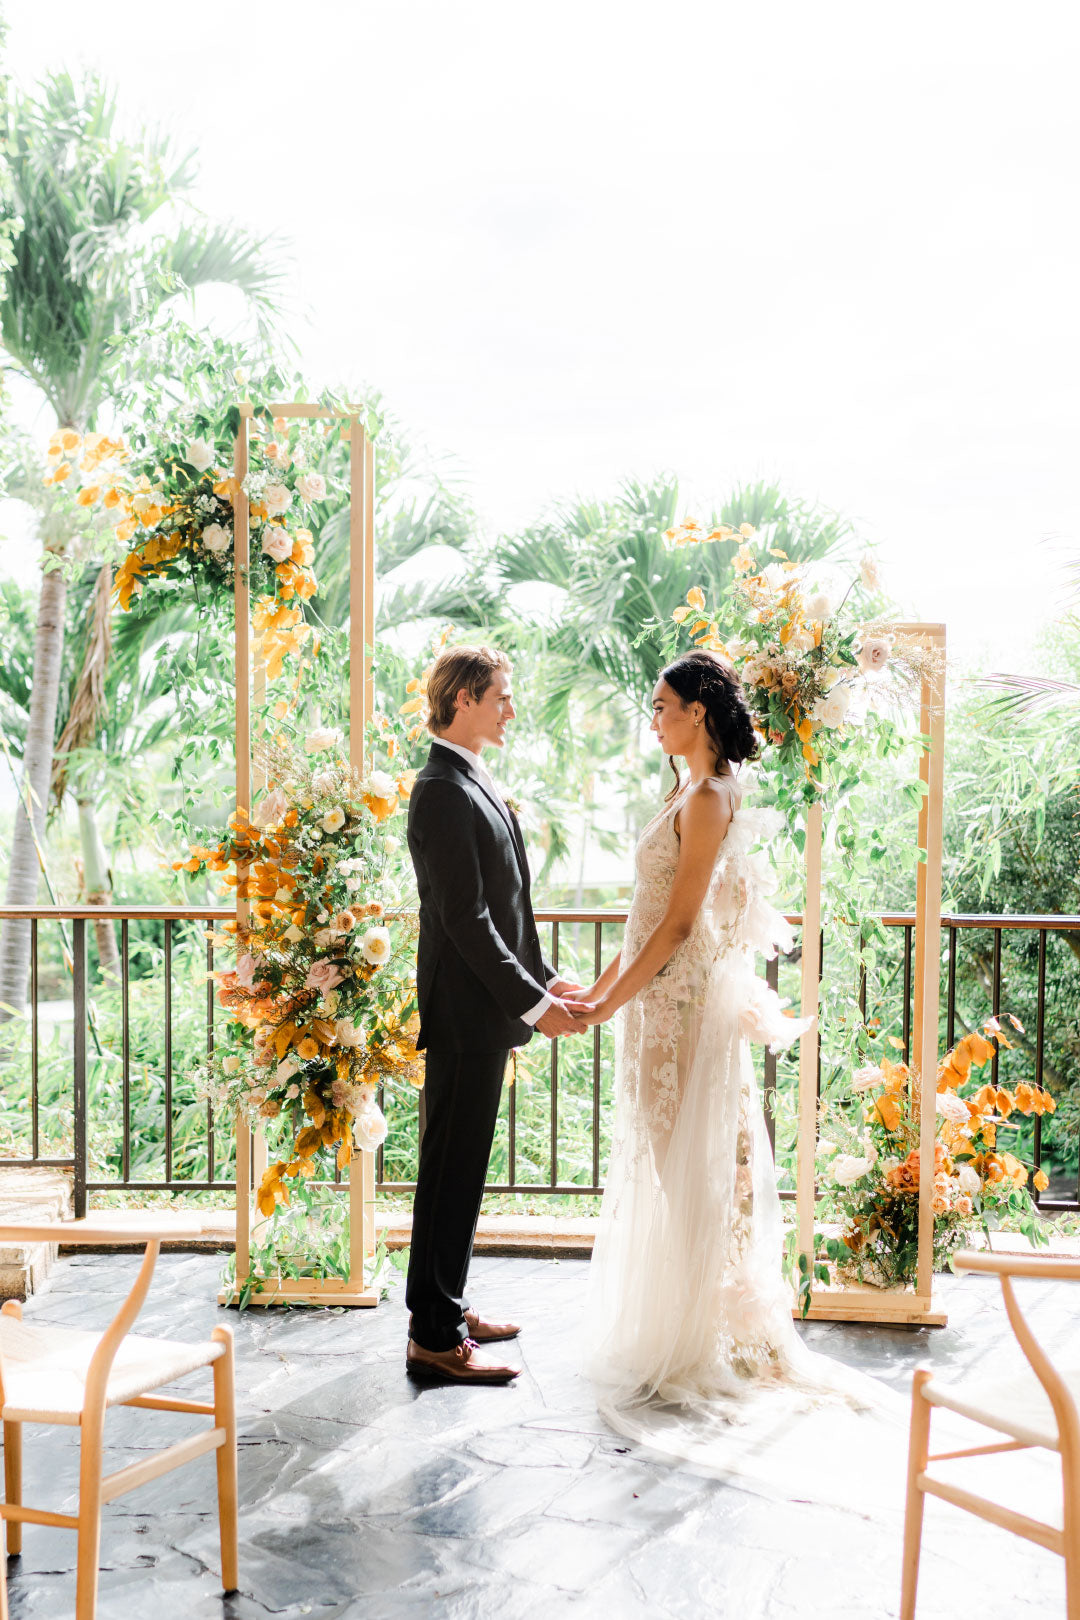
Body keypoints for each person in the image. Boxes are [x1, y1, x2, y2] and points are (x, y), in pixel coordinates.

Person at [576, 648, 874, 1494]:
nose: (655, 718)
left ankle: (713, 1335)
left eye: (664, 706)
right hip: (654, 1000)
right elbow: (642, 921)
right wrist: (599, 989)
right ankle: (703, 1323)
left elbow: (674, 927)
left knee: (695, 1170)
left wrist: (609, 1004)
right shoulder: (684, 790)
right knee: (680, 1167)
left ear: (699, 712)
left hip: (678, 1004)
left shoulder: (707, 798)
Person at [405, 644, 591, 1384]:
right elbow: (465, 919)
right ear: (462, 702)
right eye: (501, 697)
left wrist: (547, 978)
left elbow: (505, 910)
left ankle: (445, 1306)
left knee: (462, 1170)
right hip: (465, 1013)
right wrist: (534, 1004)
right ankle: (433, 1337)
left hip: (485, 1010)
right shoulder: (441, 789)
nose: (512, 708)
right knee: (449, 1172)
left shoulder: (471, 777)